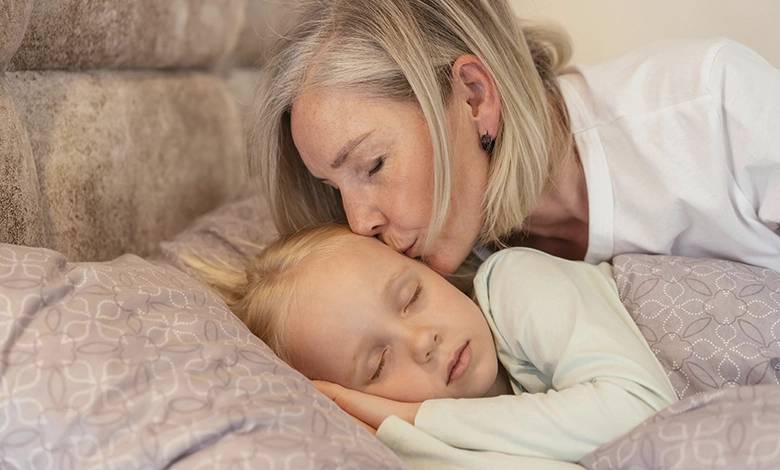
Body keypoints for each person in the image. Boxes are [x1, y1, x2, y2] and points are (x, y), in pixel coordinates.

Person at [250, 0, 780, 279]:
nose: (359, 222)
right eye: (333, 186)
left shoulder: (712, 106)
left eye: (372, 164)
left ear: (475, 97)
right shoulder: (461, 281)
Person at [189, 223, 677, 467]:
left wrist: (415, 417)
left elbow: (644, 418)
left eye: (412, 296)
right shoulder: (424, 448)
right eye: (378, 365)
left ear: (427, 267)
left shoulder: (515, 285)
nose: (422, 341)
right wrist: (401, 432)